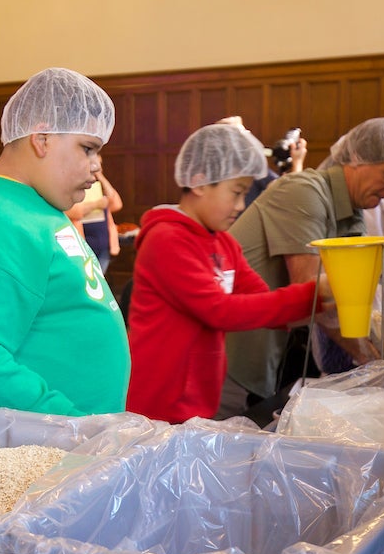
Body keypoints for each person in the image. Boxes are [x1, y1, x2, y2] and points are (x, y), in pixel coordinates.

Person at [0, 67, 129, 415]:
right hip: (49, 446)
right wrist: (68, 424)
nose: (96, 167)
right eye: (87, 148)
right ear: (42, 138)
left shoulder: (37, 203)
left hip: (78, 445)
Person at [219, 117, 384, 416]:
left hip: (264, 351)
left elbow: (357, 297)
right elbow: (319, 297)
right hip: (229, 358)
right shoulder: (302, 190)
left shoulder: (352, 212)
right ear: (358, 160)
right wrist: (377, 366)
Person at [126, 123, 326, 422]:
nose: (240, 205)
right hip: (157, 398)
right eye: (236, 192)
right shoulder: (166, 239)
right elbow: (219, 311)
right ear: (198, 182)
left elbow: (261, 299)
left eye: (245, 193)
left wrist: (315, 305)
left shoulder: (224, 243)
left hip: (198, 395)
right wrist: (313, 293)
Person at [65, 153, 123, 273]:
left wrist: (100, 176)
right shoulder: (73, 186)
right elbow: (75, 212)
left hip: (103, 246)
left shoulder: (98, 186)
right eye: (94, 164)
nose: (97, 167)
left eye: (99, 164)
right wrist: (96, 205)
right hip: (84, 245)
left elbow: (116, 204)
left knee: (100, 280)